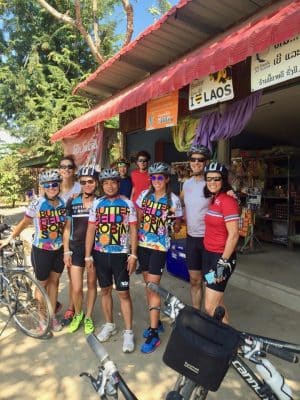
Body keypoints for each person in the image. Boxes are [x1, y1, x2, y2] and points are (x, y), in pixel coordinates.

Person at [0, 170, 66, 332]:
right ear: (43, 187)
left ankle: (52, 317)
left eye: (55, 184)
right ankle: (42, 319)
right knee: (42, 284)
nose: (52, 188)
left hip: (59, 249)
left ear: (59, 186)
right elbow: (24, 222)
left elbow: (64, 227)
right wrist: (10, 238)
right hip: (41, 250)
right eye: (48, 185)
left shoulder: (63, 203)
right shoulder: (37, 203)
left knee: (54, 283)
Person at [85, 168, 137, 353]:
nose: (109, 186)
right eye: (105, 182)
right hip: (100, 254)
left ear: (118, 183)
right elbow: (91, 230)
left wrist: (133, 254)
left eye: (113, 182)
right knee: (105, 290)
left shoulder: (127, 204)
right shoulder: (97, 204)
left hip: (121, 255)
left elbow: (133, 230)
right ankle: (110, 325)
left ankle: (128, 332)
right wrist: (87, 255)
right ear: (102, 185)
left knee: (123, 293)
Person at [136, 162, 182, 353]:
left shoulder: (173, 199)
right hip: (142, 246)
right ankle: (156, 322)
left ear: (166, 179)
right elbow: (137, 218)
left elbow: (178, 223)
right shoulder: (144, 196)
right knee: (148, 287)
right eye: (153, 178)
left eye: (160, 177)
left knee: (153, 289)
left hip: (159, 248)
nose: (156, 181)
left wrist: (172, 226)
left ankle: (154, 332)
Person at [63, 166, 98, 335]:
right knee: (76, 288)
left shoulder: (100, 202)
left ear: (96, 182)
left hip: (94, 249)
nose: (87, 185)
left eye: (90, 181)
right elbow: (67, 228)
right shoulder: (72, 201)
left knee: (92, 284)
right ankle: (78, 314)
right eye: (83, 182)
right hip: (76, 247)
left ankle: (89, 316)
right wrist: (66, 250)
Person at [203, 162, 240, 323]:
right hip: (209, 256)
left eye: (216, 179)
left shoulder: (228, 201)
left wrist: (222, 263)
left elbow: (233, 235)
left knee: (210, 307)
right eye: (209, 178)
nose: (212, 182)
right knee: (218, 303)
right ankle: (228, 340)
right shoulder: (214, 199)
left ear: (223, 180)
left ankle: (226, 342)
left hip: (221, 259)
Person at [181, 144, 212, 309]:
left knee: (210, 282)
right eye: (193, 159)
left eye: (200, 160)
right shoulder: (186, 184)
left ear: (206, 162)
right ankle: (196, 313)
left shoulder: (212, 183)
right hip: (192, 238)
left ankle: (210, 316)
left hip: (210, 240)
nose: (196, 162)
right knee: (194, 280)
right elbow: (181, 204)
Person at [58, 155, 82, 326]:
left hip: (74, 237)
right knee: (61, 276)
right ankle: (61, 304)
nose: (66, 170)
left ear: (74, 170)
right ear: (59, 170)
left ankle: (72, 308)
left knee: (73, 276)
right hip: (54, 238)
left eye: (69, 167)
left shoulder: (80, 188)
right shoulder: (53, 187)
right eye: (63, 167)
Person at [131, 150, 151, 274]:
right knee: (137, 233)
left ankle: (147, 261)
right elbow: (134, 188)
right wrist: (130, 202)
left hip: (148, 207)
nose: (142, 163)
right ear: (137, 163)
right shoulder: (133, 174)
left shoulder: (152, 174)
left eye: (144, 160)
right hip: (136, 206)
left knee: (147, 233)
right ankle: (139, 262)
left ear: (148, 162)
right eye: (140, 161)